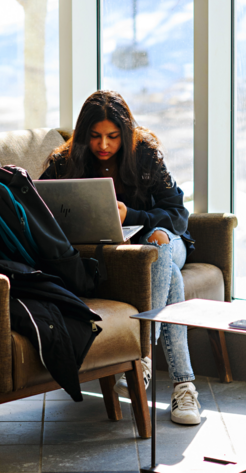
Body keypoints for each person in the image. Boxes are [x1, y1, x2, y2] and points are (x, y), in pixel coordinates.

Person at [40, 90, 200, 425]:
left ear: (125, 134)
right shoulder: (63, 162)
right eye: (95, 137)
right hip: (115, 256)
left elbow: (178, 216)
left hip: (166, 241)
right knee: (167, 271)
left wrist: (132, 216)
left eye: (113, 137)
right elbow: (40, 207)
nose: (103, 145)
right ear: (84, 134)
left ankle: (140, 358)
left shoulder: (146, 156)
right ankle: (183, 386)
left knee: (160, 248)